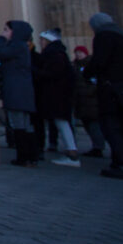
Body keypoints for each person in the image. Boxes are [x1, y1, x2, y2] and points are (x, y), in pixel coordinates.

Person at [83, 13, 123, 181]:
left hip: (113, 91)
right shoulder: (122, 38)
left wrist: (88, 73)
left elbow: (99, 62)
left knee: (113, 129)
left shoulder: (104, 37)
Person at [0, 20, 39, 167]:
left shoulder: (17, 46)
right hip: (22, 90)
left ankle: (24, 157)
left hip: (16, 90)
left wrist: (1, 39)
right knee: (24, 124)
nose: (3, 32)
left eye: (6, 30)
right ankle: (31, 156)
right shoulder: (22, 47)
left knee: (19, 124)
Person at [35, 28, 80, 167]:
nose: (41, 42)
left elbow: (53, 73)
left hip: (57, 94)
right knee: (62, 123)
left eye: (43, 40)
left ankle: (72, 154)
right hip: (60, 94)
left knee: (62, 123)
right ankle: (71, 151)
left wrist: (36, 72)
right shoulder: (58, 53)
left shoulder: (54, 54)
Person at [72, 45, 106, 157]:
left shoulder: (90, 65)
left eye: (80, 52)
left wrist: (89, 92)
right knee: (88, 124)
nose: (78, 54)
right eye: (76, 52)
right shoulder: (75, 66)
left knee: (94, 125)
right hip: (81, 100)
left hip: (91, 100)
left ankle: (98, 147)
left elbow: (94, 83)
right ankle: (96, 146)